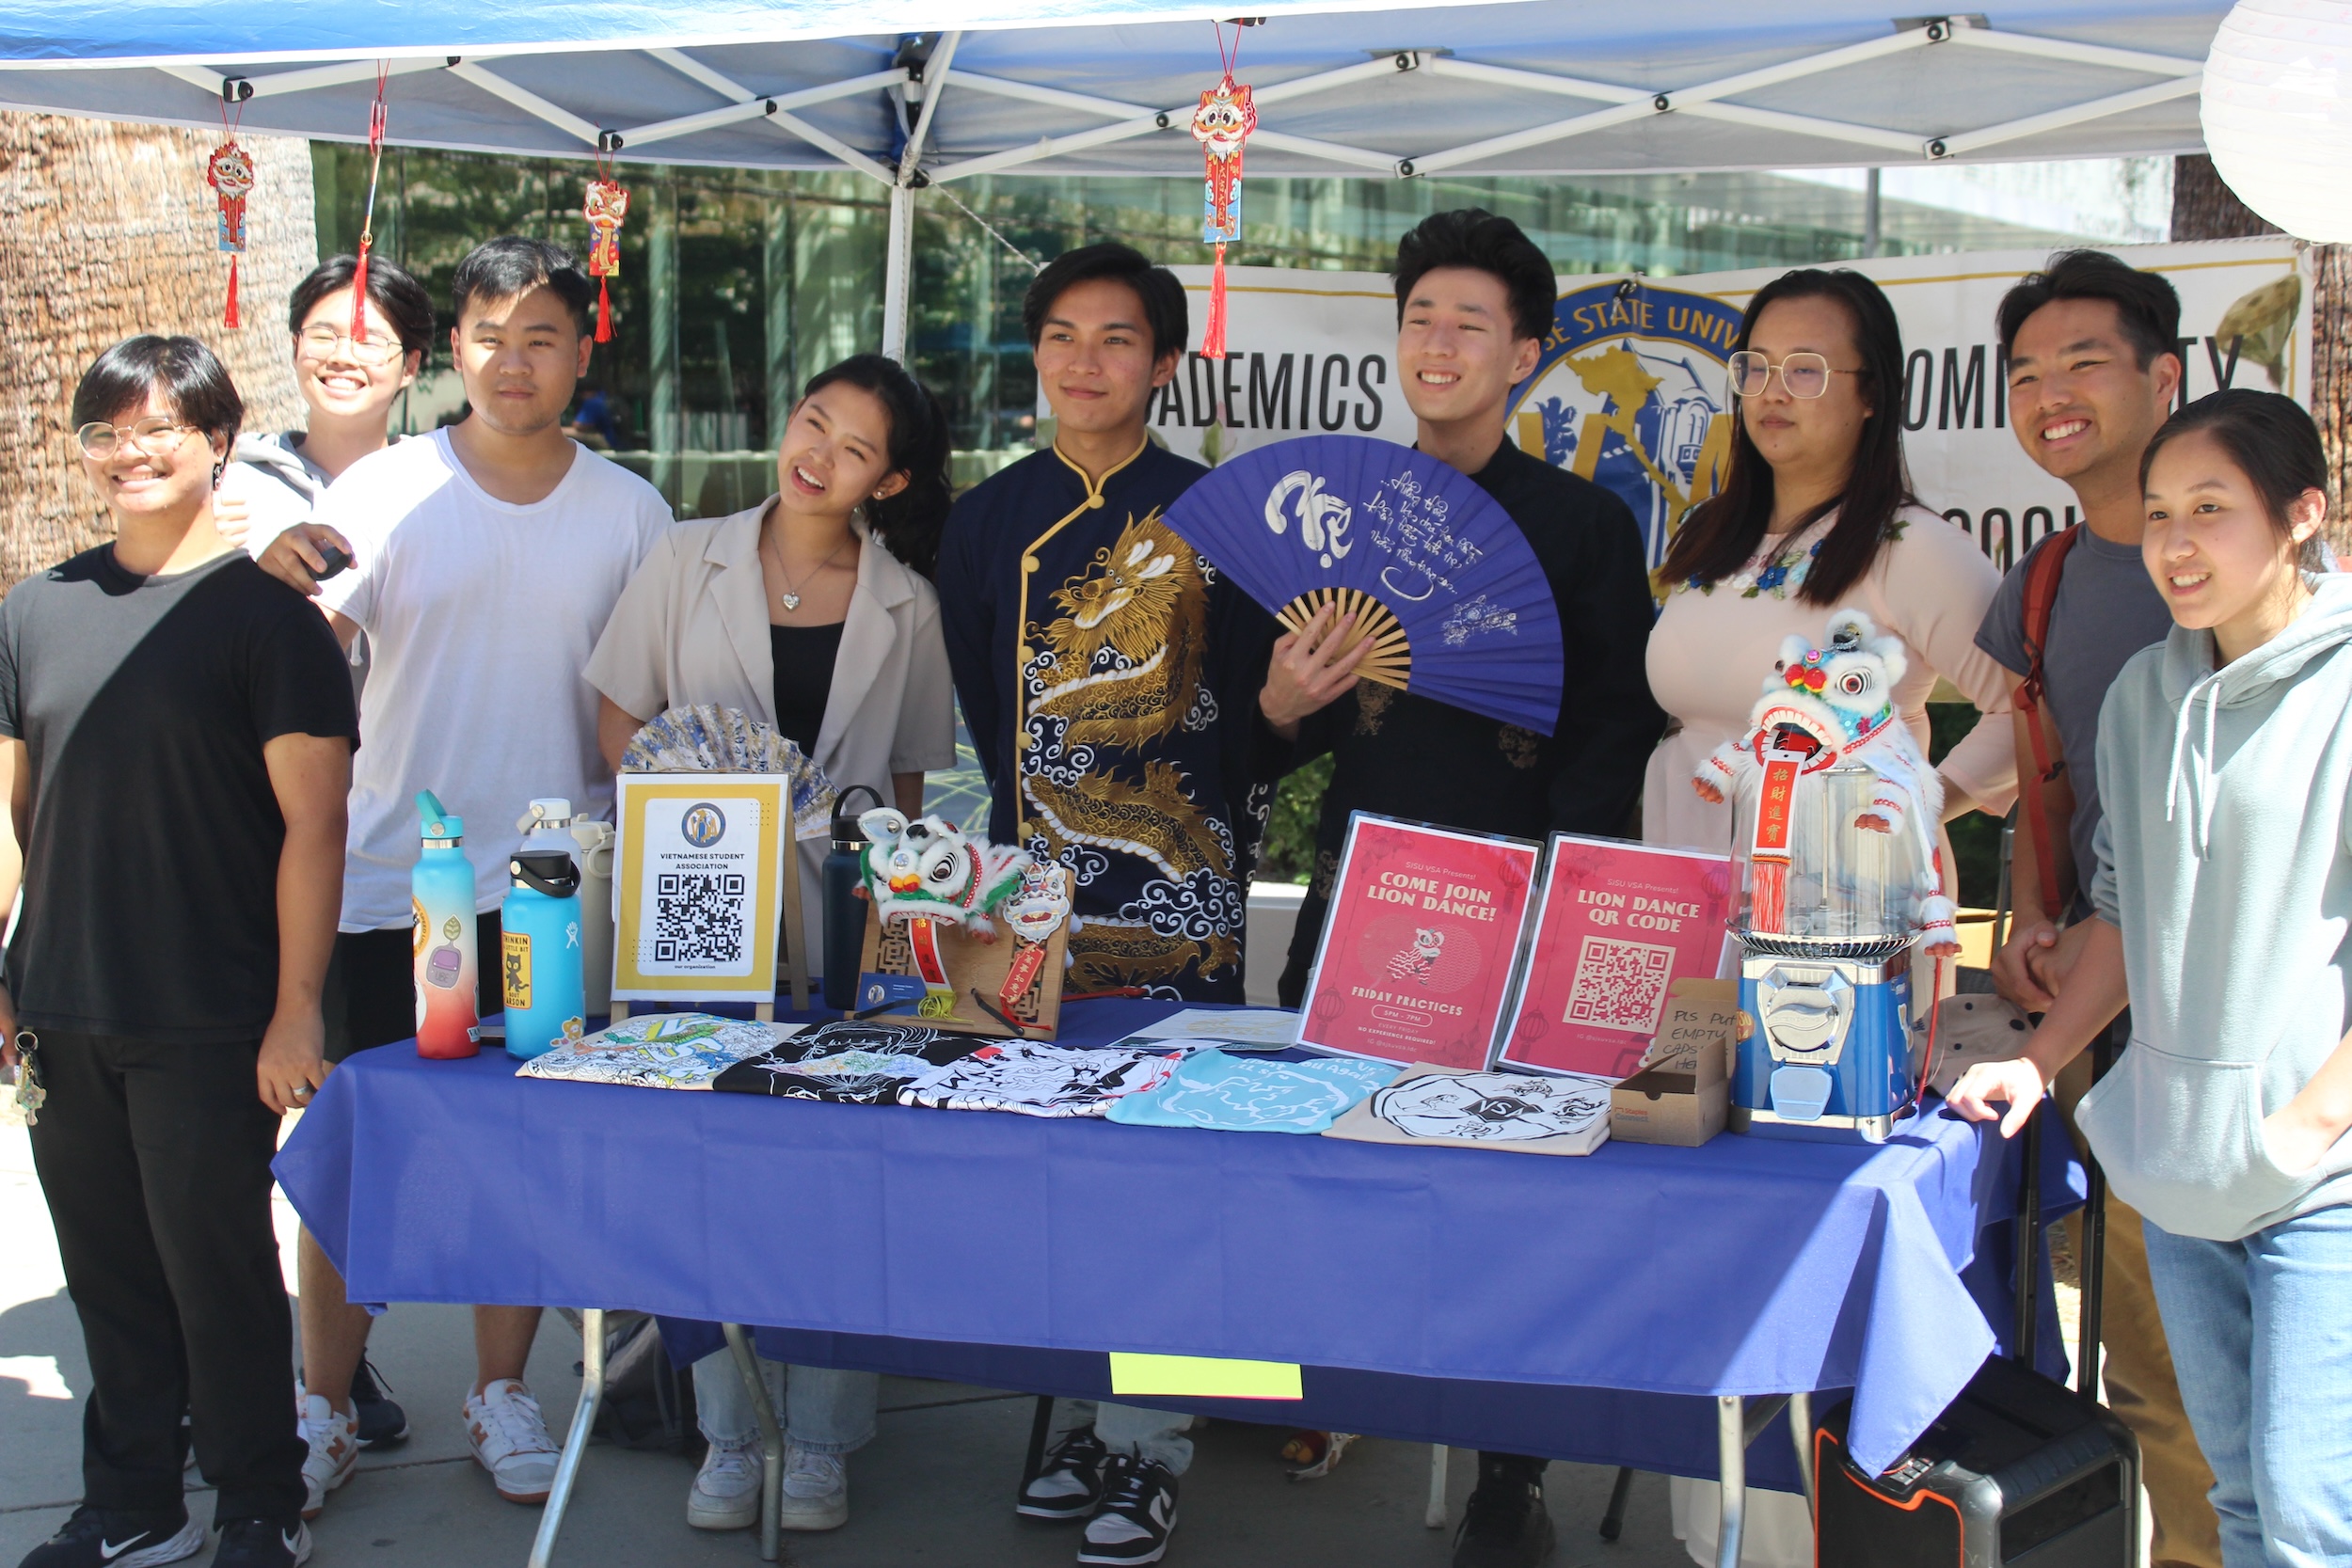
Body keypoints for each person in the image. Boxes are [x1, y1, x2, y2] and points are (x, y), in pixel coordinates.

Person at [1258, 207, 1664, 1568]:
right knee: (1344, 1159)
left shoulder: (1585, 523)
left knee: (1509, 1193)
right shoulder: (1350, 508)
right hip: (1361, 889)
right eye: (1421, 316)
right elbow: (1301, 723)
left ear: (1528, 353)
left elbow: (1617, 718)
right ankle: (1328, 1396)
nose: (1439, 343)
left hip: (1517, 900)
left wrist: (1551, 882)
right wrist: (1278, 701)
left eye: (1471, 323)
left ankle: (1507, 1467)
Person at [256, 236, 675, 1516]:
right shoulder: (379, 491)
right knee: (351, 1152)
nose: (513, 358)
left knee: (526, 1156)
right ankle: (320, 1401)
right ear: (454, 351)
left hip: (555, 891)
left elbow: (645, 705)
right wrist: (272, 590)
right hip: (388, 881)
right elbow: (287, 664)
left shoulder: (630, 509)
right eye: (490, 333)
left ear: (581, 353)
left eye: (541, 334)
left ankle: (501, 1388)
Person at [1643, 268, 2017, 1568]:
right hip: (1688, 907)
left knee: (1795, 1214)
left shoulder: (1915, 547)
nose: (1774, 390)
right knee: (1696, 1209)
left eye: (1812, 367)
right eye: (1759, 363)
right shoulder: (1719, 535)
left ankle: (1826, 1525)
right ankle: (1718, 1521)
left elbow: (2028, 715)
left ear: (1873, 396)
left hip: (1825, 951)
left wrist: (1917, 804)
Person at [1949, 389, 2352, 1568]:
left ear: (2302, 516)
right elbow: (2122, 912)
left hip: (2315, 1174)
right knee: (2230, 1499)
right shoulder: (2142, 694)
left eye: (2212, 511)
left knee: (2309, 1508)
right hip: (2177, 1168)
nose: (2175, 544)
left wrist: (2310, 1119)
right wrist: (2033, 1061)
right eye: (2161, 512)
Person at [934, 242, 1279, 1566]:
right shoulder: (986, 518)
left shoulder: (1216, 514)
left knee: (1174, 1180)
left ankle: (1156, 1447)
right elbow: (982, 724)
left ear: (1165, 362)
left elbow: (1249, 731)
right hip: (1036, 902)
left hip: (1183, 902)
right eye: (1064, 335)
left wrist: (1287, 707)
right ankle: (1081, 1418)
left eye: (1118, 338)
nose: (1087, 361)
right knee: (1050, 1175)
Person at [583, 352, 957, 1535]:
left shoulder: (907, 602)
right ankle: (730, 1428)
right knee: (705, 1162)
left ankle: (826, 1439)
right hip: (692, 896)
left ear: (887, 480)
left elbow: (906, 781)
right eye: (812, 422)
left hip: (840, 911)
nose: (818, 455)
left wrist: (893, 916)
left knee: (842, 1172)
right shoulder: (683, 555)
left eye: (853, 448)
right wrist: (692, 828)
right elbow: (617, 710)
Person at [5, 336, 356, 1568]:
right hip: (64, 1000)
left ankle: (259, 1497)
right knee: (109, 1269)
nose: (129, 452)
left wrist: (295, 1010)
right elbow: (12, 809)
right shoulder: (36, 607)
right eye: (105, 430)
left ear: (217, 440)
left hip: (212, 1007)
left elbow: (317, 828)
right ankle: (133, 1498)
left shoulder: (271, 621)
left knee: (217, 1269)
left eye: (159, 427)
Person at [1972, 251, 2220, 1568]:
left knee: (2200, 1377)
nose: (2050, 393)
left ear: (2164, 376)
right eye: (2024, 372)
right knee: (2130, 1359)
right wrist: (2025, 911)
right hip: (2092, 1013)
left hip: (2226, 1028)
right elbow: (2040, 771)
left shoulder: (2245, 588)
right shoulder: (2050, 577)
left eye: (2084, 362)